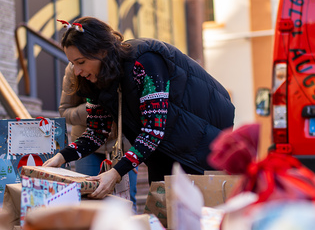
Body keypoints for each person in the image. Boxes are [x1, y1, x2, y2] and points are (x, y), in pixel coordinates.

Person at [44, 17, 235, 198]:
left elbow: (153, 130)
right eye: (72, 64)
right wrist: (61, 157)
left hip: (199, 145)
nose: (76, 71)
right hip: (162, 150)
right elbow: (96, 132)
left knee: (194, 220)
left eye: (81, 62)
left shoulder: (145, 61)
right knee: (165, 215)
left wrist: (116, 172)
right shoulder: (94, 80)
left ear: (102, 51)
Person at [59, 62, 138, 207]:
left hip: (124, 144)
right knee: (88, 201)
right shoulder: (75, 70)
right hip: (86, 144)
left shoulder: (126, 64)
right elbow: (65, 111)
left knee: (126, 202)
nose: (78, 68)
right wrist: (96, 108)